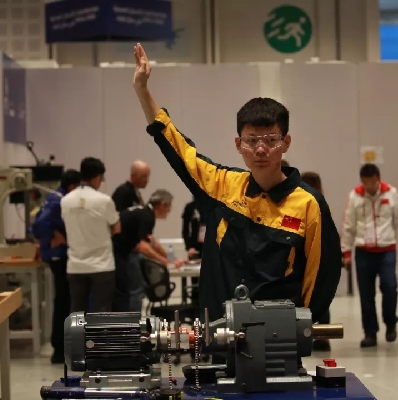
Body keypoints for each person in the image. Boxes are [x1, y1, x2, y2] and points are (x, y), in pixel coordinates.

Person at [132, 43, 342, 328]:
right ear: (238, 144)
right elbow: (177, 148)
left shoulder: (309, 205)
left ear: (286, 143)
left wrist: (299, 329)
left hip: (277, 341)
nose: (260, 149)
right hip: (219, 336)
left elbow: (322, 278)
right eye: (251, 140)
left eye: (271, 140)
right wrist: (143, 90)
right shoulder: (222, 186)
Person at [341, 163, 398, 348]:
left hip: (386, 250)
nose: (369, 187)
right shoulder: (355, 196)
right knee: (366, 295)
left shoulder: (391, 194)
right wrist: (346, 252)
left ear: (378, 179)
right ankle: (370, 333)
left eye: (372, 183)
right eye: (366, 183)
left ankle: (391, 322)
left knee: (390, 286)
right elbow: (348, 226)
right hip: (363, 252)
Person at [31, 169, 80, 364]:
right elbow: (40, 225)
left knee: (63, 300)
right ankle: (59, 349)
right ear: (72, 186)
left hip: (56, 255)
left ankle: (61, 347)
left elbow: (36, 225)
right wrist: (54, 238)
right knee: (63, 302)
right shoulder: (59, 201)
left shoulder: (53, 198)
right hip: (59, 257)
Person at [61, 157, 120, 313]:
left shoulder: (65, 201)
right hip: (102, 265)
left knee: (77, 311)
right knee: (101, 311)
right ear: (98, 177)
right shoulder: (104, 201)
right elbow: (116, 228)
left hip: (75, 266)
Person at [113, 189, 182, 312]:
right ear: (162, 205)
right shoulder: (147, 216)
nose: (169, 210)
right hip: (120, 253)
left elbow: (151, 241)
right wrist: (165, 262)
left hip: (120, 251)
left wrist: (171, 258)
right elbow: (143, 247)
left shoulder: (144, 212)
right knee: (136, 291)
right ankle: (133, 320)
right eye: (169, 206)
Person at [300, 171, 332, 352]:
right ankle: (322, 336)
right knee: (321, 298)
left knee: (307, 299)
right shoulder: (321, 205)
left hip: (308, 258)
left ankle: (310, 335)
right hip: (319, 258)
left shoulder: (303, 204)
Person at [182, 196, 207, 304]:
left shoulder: (211, 206)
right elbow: (185, 230)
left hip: (209, 247)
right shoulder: (190, 207)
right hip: (195, 249)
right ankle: (194, 304)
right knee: (195, 280)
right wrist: (189, 247)